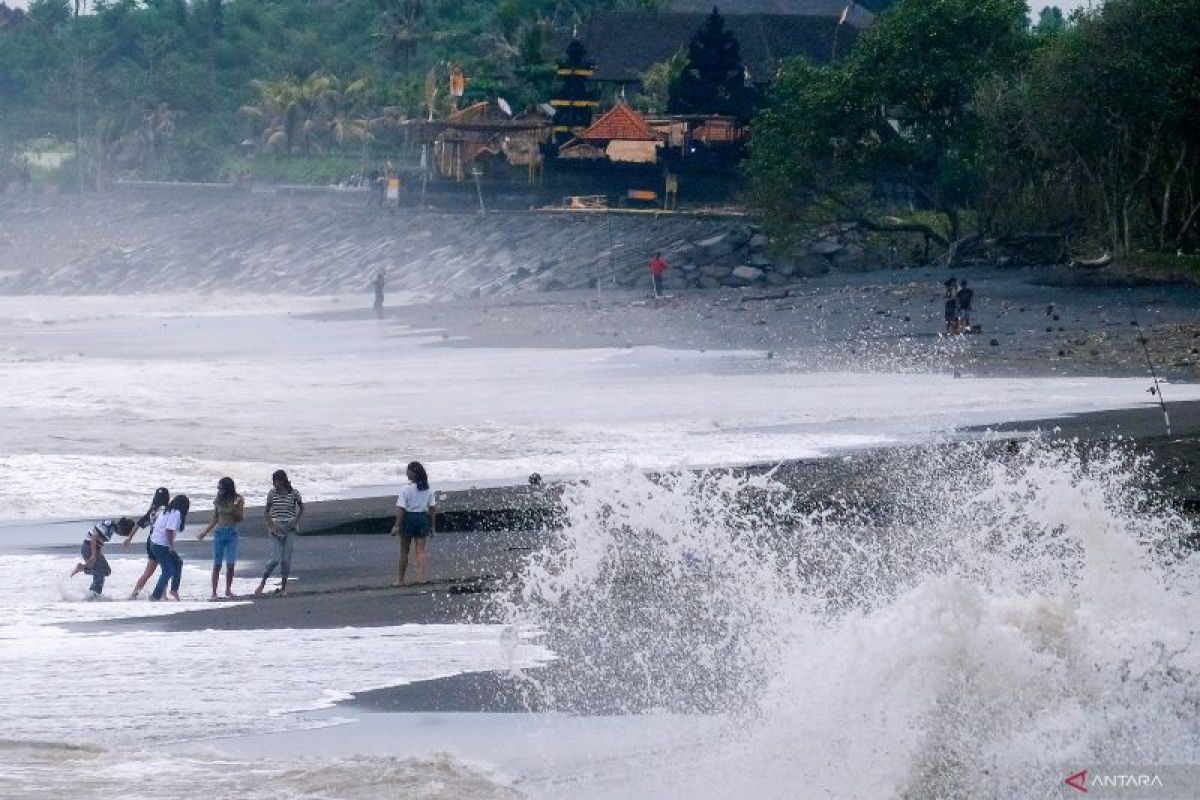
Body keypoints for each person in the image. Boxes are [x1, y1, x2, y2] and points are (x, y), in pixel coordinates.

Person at [256, 469, 304, 596]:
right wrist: (271, 526)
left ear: (283, 481)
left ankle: (283, 587)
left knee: (286, 560)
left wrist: (296, 521)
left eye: (276, 481)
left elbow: (302, 507)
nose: (275, 484)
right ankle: (262, 582)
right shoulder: (272, 493)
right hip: (276, 528)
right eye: (273, 481)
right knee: (275, 559)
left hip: (289, 528)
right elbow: (266, 512)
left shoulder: (294, 493)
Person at [389, 461, 437, 586]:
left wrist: (396, 525)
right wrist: (432, 526)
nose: (406, 472)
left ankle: (401, 580)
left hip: (409, 518)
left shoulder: (406, 489)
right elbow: (432, 509)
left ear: (413, 473)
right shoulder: (428, 489)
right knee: (420, 550)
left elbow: (401, 509)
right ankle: (421, 578)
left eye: (408, 470)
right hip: (422, 518)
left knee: (404, 551)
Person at [197, 477, 244, 600]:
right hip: (219, 533)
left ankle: (228, 590)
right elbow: (215, 518)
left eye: (221, 487)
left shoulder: (238, 499)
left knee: (230, 564)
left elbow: (239, 518)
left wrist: (234, 506)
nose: (219, 489)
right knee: (217, 564)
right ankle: (214, 592)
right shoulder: (218, 500)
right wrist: (205, 532)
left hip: (232, 533)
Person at [72, 518, 135, 597]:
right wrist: (94, 555)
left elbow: (99, 541)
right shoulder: (107, 525)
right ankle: (93, 596)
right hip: (88, 548)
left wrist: (99, 553)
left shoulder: (112, 528)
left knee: (106, 571)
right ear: (121, 527)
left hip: (96, 549)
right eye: (122, 533)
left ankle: (83, 568)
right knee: (99, 573)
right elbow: (93, 538)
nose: (120, 535)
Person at [126, 487, 171, 599]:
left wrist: (129, 538)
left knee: (148, 572)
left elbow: (138, 524)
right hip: (161, 542)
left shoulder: (152, 511)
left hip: (151, 542)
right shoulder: (167, 510)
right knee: (166, 569)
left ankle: (134, 594)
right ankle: (164, 596)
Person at [149, 495, 189, 601]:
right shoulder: (176, 513)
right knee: (168, 570)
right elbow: (169, 530)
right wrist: (171, 545)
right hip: (160, 544)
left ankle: (174, 589)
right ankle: (155, 596)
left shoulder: (167, 510)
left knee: (178, 562)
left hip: (155, 542)